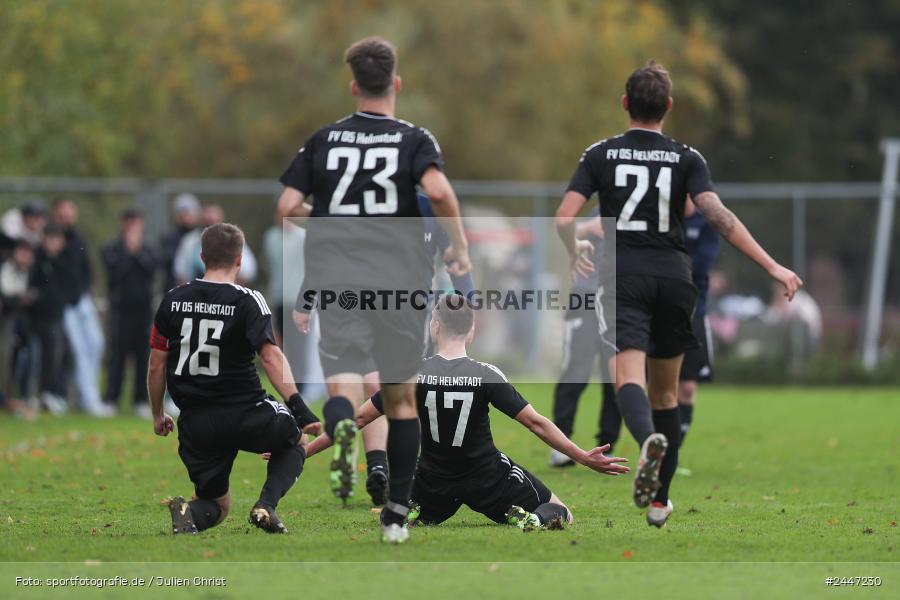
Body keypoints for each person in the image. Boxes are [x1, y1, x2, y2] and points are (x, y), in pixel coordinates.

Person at [556, 61, 802, 528]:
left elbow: (565, 219)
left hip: (623, 276)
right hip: (675, 277)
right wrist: (772, 266)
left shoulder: (599, 154)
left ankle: (646, 442)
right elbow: (720, 218)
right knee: (666, 393)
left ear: (625, 103)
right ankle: (659, 502)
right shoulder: (686, 158)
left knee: (628, 379)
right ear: (668, 106)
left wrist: (574, 250)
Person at [276, 36, 470, 544]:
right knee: (400, 401)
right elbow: (439, 192)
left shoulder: (324, 140)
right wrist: (460, 246)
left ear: (353, 86)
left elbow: (287, 207)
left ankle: (342, 427)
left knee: (343, 382)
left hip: (340, 280)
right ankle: (396, 516)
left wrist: (332, 221)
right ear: (396, 83)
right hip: (399, 283)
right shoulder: (414, 139)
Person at [302, 295, 629, 530]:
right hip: (487, 478)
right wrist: (582, 456)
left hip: (431, 480)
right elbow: (535, 423)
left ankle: (412, 508)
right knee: (561, 511)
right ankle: (532, 519)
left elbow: (358, 419)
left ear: (435, 326)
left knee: (411, 484)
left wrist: (304, 452)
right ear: (471, 331)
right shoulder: (486, 374)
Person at [149, 222, 322, 535]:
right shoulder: (247, 300)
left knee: (216, 505)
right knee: (297, 440)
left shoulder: (172, 299)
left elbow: (156, 366)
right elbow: (270, 357)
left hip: (196, 422)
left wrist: (158, 413)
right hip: (245, 412)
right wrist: (299, 407)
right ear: (240, 260)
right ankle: (265, 506)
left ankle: (188, 512)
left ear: (202, 257)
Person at [550, 212, 618, 468]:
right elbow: (565, 230)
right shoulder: (601, 209)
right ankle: (561, 444)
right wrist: (589, 226)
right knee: (575, 371)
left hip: (618, 302)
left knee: (615, 376)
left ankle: (608, 446)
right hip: (585, 299)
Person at [53, 198, 111, 417]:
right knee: (78, 350)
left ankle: (88, 394)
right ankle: (89, 400)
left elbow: (87, 269)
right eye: (63, 213)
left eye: (70, 213)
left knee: (96, 343)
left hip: (82, 300)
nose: (67, 217)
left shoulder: (78, 238)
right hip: (64, 304)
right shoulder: (52, 239)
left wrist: (84, 291)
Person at [102, 209, 157, 416]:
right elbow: (115, 273)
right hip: (120, 309)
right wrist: (128, 252)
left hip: (142, 310)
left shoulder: (149, 248)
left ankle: (140, 400)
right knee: (117, 355)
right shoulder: (112, 248)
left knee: (143, 355)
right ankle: (111, 399)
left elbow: (151, 270)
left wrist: (137, 252)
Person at [28, 223, 72, 415]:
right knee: (47, 354)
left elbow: (69, 286)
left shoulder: (64, 261)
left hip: (58, 315)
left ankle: (58, 394)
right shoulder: (37, 259)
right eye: (49, 238)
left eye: (56, 239)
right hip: (38, 317)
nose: (52, 243)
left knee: (65, 355)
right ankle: (45, 393)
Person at [173, 203, 257, 285]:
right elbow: (180, 273)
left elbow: (248, 272)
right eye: (208, 226)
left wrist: (227, 287)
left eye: (214, 225)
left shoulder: (234, 239)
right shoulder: (190, 241)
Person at [0, 240, 36, 419]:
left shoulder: (34, 272)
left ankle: (19, 395)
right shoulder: (6, 269)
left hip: (25, 322)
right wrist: (17, 300)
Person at [159, 194, 201, 295]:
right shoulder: (168, 238)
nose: (185, 217)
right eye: (182, 213)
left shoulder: (202, 236)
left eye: (188, 213)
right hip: (174, 290)